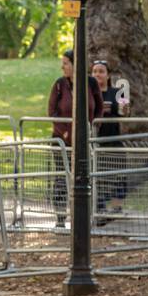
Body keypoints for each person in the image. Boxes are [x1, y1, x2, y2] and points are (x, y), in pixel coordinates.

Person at [48, 48, 103, 226]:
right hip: (62, 141)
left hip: (84, 141)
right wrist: (63, 131)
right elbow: (52, 112)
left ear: (75, 65)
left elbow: (98, 108)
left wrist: (92, 128)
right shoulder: (59, 85)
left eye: (65, 63)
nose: (62, 67)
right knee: (62, 178)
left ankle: (83, 217)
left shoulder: (91, 83)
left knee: (83, 177)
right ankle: (60, 216)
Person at [91, 59, 129, 213]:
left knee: (119, 174)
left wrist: (123, 107)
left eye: (101, 71)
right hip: (95, 140)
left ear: (108, 75)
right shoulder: (89, 93)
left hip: (113, 138)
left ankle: (116, 207)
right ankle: (98, 207)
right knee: (97, 175)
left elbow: (124, 112)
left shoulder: (116, 92)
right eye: (94, 71)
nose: (97, 74)